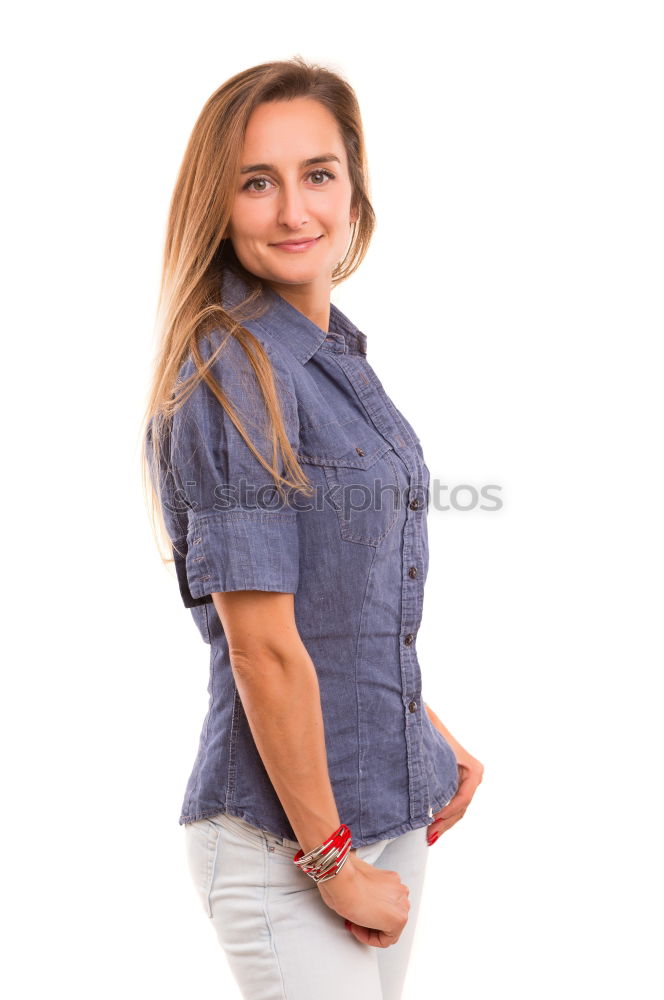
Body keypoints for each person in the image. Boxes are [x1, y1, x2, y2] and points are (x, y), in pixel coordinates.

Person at [142, 57, 484, 1000]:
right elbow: (261, 648)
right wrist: (332, 863)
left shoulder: (333, 356)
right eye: (258, 182)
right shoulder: (232, 370)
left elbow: (342, 600)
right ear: (219, 202)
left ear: (354, 189)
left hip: (386, 801)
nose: (295, 209)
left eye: (318, 174)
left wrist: (428, 733)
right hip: (287, 841)